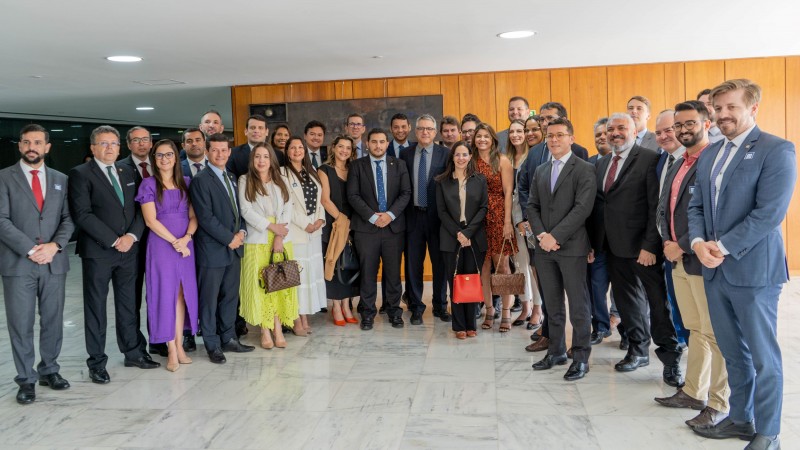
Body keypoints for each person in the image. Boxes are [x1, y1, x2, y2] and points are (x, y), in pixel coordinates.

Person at [688, 79, 796, 449]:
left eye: (731, 107)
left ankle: (769, 432)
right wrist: (699, 243)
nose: (722, 115)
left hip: (754, 272)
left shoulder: (776, 150)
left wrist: (721, 245)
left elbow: (769, 214)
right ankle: (740, 418)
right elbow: (696, 206)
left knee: (763, 357)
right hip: (714, 268)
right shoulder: (710, 153)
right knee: (733, 352)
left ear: (752, 109)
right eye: (718, 109)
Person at [588, 113, 683, 386]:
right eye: (610, 129)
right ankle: (638, 350)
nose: (615, 133)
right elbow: (600, 205)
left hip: (643, 249)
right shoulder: (602, 163)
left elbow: (656, 206)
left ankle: (670, 359)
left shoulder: (649, 158)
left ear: (633, 131)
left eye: (621, 128)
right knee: (628, 304)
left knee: (657, 304)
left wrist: (650, 245)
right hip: (613, 247)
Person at [654, 100, 730, 429]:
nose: (683, 129)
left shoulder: (713, 159)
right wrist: (667, 244)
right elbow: (666, 207)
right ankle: (693, 391)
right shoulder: (679, 161)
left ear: (706, 122)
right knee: (696, 329)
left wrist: (682, 245)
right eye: (678, 125)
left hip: (699, 256)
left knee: (715, 333)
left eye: (689, 123)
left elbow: (714, 214)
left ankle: (718, 403)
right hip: (678, 258)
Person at [68, 125, 157, 384]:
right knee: (95, 307)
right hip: (98, 252)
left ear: (120, 147)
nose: (110, 148)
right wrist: (113, 240)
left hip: (129, 250)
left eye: (114, 144)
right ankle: (97, 361)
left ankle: (133, 352)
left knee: (129, 304)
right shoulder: (80, 173)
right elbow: (82, 214)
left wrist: (130, 237)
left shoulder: (128, 170)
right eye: (104, 144)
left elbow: (142, 207)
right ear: (93, 147)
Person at [0, 124, 74, 404]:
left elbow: (69, 218)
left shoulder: (61, 179)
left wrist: (54, 246)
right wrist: (32, 249)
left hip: (54, 262)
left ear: (47, 147)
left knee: (53, 320)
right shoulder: (4, 178)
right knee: (21, 323)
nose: (32, 147)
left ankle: (49, 370)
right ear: (20, 146)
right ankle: (26, 379)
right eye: (27, 142)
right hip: (19, 264)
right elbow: (1, 220)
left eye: (38, 142)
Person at [526, 118, 595, 381]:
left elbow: (583, 208)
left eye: (559, 135)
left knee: (578, 306)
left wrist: (556, 236)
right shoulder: (541, 170)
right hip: (544, 249)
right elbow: (532, 205)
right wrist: (543, 235)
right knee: (552, 304)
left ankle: (580, 358)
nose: (553, 140)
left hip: (572, 247)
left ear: (571, 138)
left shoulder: (584, 169)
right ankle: (555, 351)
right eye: (550, 136)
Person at [189, 133, 254, 364]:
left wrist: (242, 232)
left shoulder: (232, 177)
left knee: (229, 297)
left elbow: (241, 211)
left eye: (224, 150)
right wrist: (229, 238)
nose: (220, 154)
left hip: (234, 248)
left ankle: (229, 338)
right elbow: (205, 218)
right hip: (213, 250)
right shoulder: (201, 180)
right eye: (215, 150)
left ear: (229, 151)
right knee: (209, 299)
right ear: (207, 152)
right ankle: (212, 344)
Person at [135, 140, 199, 372]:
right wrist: (174, 241)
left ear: (175, 157)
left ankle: (180, 345)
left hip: (185, 246)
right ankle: (170, 348)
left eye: (169, 154)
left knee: (182, 295)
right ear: (154, 158)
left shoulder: (187, 183)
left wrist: (186, 239)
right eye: (159, 155)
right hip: (162, 246)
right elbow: (150, 220)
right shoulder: (148, 184)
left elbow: (194, 217)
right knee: (166, 295)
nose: (164, 159)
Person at [347, 128, 411, 330]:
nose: (378, 146)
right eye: (374, 142)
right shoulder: (357, 166)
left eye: (382, 142)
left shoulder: (399, 164)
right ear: (367, 143)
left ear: (387, 144)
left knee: (393, 274)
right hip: (366, 229)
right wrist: (374, 217)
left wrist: (389, 215)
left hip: (393, 228)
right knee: (368, 273)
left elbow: (405, 193)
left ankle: (394, 311)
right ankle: (367, 313)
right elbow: (353, 196)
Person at [238, 143, 297, 349]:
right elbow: (246, 210)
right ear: (252, 161)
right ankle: (265, 330)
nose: (261, 161)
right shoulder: (245, 180)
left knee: (279, 285)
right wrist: (271, 226)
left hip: (280, 238)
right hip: (257, 239)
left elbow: (288, 208)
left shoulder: (281, 180)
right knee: (261, 285)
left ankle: (278, 328)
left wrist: (279, 236)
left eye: (265, 156)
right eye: (257, 157)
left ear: (271, 159)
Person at [118, 126, 164, 356]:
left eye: (145, 139)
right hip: (133, 241)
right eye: (136, 140)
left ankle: (159, 339)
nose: (142, 144)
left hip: (160, 240)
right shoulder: (119, 168)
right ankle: (134, 348)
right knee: (132, 297)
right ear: (128, 145)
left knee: (158, 293)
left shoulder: (162, 165)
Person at [435, 141, 488, 339]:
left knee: (472, 280)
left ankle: (471, 324)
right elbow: (441, 211)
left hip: (474, 238)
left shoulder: (479, 179)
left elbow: (483, 208)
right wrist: (458, 233)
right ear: (452, 158)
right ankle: (459, 326)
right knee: (455, 280)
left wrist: (468, 233)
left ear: (470, 157)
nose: (461, 158)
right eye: (457, 154)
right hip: (451, 237)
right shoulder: (442, 181)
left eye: (465, 154)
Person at [399, 114, 449, 324]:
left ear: (435, 132)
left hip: (438, 218)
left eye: (429, 129)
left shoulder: (445, 154)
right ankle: (416, 306)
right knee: (413, 265)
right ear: (415, 131)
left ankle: (440, 305)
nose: (425, 132)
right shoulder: (405, 154)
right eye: (421, 129)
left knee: (440, 265)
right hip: (412, 216)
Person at [472, 123, 516, 332]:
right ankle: (489, 310)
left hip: (499, 217)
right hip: (477, 219)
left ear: (493, 140)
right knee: (484, 267)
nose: (482, 139)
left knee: (503, 267)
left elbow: (508, 192)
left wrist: (508, 222)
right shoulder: (471, 162)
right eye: (478, 136)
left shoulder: (503, 160)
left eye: (486, 136)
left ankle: (506, 312)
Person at [282, 136, 326, 335]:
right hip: (296, 232)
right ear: (287, 151)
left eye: (300, 147)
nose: (297, 150)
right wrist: (306, 223)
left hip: (314, 233)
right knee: (297, 278)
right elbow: (286, 204)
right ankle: (295, 320)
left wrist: (320, 221)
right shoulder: (282, 173)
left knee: (310, 275)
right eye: (293, 147)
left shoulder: (312, 172)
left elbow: (320, 200)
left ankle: (305, 316)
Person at [319, 136, 360, 325]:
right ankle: (336, 307)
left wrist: (353, 222)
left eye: (348, 148)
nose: (344, 150)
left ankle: (346, 305)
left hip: (354, 225)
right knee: (335, 265)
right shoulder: (324, 170)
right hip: (335, 224)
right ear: (333, 148)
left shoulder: (354, 169)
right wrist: (342, 220)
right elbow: (325, 200)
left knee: (349, 264)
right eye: (340, 146)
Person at [507, 119, 542, 330]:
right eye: (513, 131)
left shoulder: (535, 156)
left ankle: (538, 308)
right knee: (519, 265)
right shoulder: (508, 158)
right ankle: (525, 307)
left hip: (528, 219)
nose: (517, 135)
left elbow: (526, 193)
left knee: (534, 265)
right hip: (511, 219)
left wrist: (524, 220)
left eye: (521, 131)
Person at [586, 118, 616, 344]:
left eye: (606, 133)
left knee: (625, 292)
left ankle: (627, 332)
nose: (602, 138)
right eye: (598, 135)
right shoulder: (588, 165)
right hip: (598, 240)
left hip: (624, 241)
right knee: (596, 286)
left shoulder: (630, 162)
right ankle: (600, 326)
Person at [228, 114, 271, 182]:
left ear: (267, 132)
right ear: (246, 131)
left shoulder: (278, 155)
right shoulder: (233, 153)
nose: (256, 131)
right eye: (252, 127)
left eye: (260, 128)